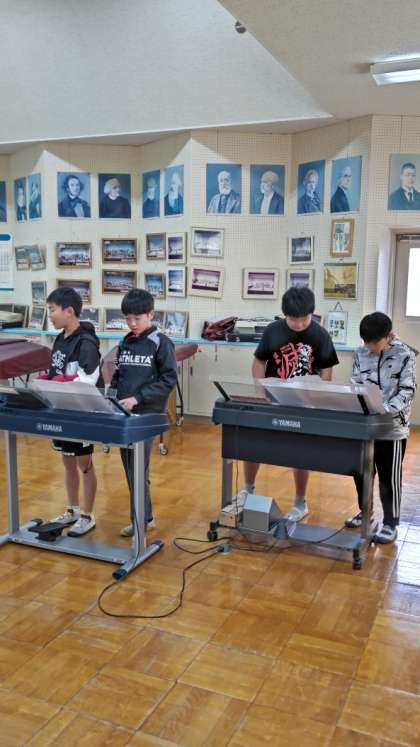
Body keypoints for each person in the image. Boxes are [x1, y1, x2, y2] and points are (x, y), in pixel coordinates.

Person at [238, 287, 339, 520]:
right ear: (285, 314)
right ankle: (247, 489)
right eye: (294, 319)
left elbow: (326, 370)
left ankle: (300, 502)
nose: (300, 324)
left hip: (304, 403)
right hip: (272, 398)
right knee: (253, 442)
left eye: (305, 318)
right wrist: (259, 390)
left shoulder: (321, 335)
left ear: (312, 313)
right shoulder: (273, 331)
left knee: (299, 451)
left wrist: (319, 396)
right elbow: (259, 361)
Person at [110, 288, 177, 537]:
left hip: (148, 415)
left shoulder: (161, 343)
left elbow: (168, 380)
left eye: (137, 318)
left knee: (139, 469)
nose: (132, 323)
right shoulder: (125, 342)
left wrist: (138, 398)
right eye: (128, 318)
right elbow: (119, 374)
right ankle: (144, 517)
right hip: (124, 415)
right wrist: (111, 397)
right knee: (131, 468)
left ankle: (141, 519)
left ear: (151, 314)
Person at [345, 312, 417, 543]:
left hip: (392, 427)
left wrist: (385, 409)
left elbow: (407, 390)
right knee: (361, 472)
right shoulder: (360, 352)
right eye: (366, 342)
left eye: (374, 343)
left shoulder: (405, 354)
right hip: (365, 424)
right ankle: (365, 512)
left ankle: (390, 523)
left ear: (388, 336)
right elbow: (355, 382)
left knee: (389, 476)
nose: (370, 347)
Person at [43, 286, 103, 536]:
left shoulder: (86, 342)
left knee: (84, 464)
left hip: (81, 413)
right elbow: (57, 370)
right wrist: (48, 381)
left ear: (69, 311)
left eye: (52, 310)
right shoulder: (60, 338)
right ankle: (72, 509)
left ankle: (87, 515)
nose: (49, 315)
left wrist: (61, 383)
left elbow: (88, 381)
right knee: (67, 461)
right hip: (62, 410)